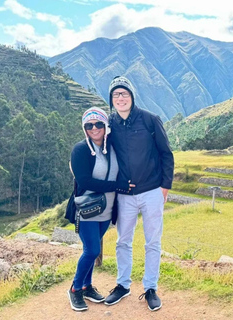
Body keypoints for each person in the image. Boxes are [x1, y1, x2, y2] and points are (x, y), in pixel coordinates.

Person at [104, 76, 174, 312]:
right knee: (123, 241)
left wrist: (165, 187)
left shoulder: (150, 120)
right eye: (116, 95)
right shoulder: (110, 124)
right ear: (111, 100)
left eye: (124, 93)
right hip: (125, 195)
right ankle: (123, 285)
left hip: (152, 190)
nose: (120, 98)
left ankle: (151, 287)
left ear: (132, 96)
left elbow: (166, 153)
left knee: (153, 241)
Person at [67, 107, 134, 312]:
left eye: (98, 124)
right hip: (87, 209)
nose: (94, 128)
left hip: (107, 209)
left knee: (92, 249)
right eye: (89, 125)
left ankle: (87, 286)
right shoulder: (80, 150)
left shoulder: (113, 147)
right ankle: (75, 288)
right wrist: (118, 185)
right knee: (93, 250)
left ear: (106, 126)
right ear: (84, 128)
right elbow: (85, 181)